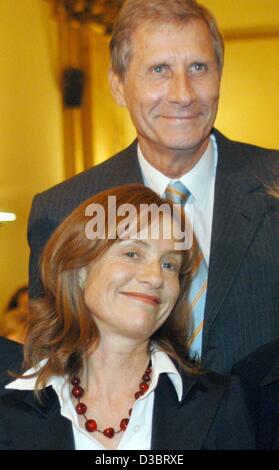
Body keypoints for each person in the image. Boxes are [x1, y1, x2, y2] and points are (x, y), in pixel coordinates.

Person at [28, 0, 279, 374]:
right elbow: (53, 368)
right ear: (118, 85)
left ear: (220, 76)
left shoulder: (272, 185)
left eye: (198, 67)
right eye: (159, 69)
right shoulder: (68, 209)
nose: (183, 94)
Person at [0, 185, 255, 450]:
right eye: (132, 254)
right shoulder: (10, 408)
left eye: (169, 265)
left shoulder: (219, 404)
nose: (156, 277)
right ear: (78, 268)